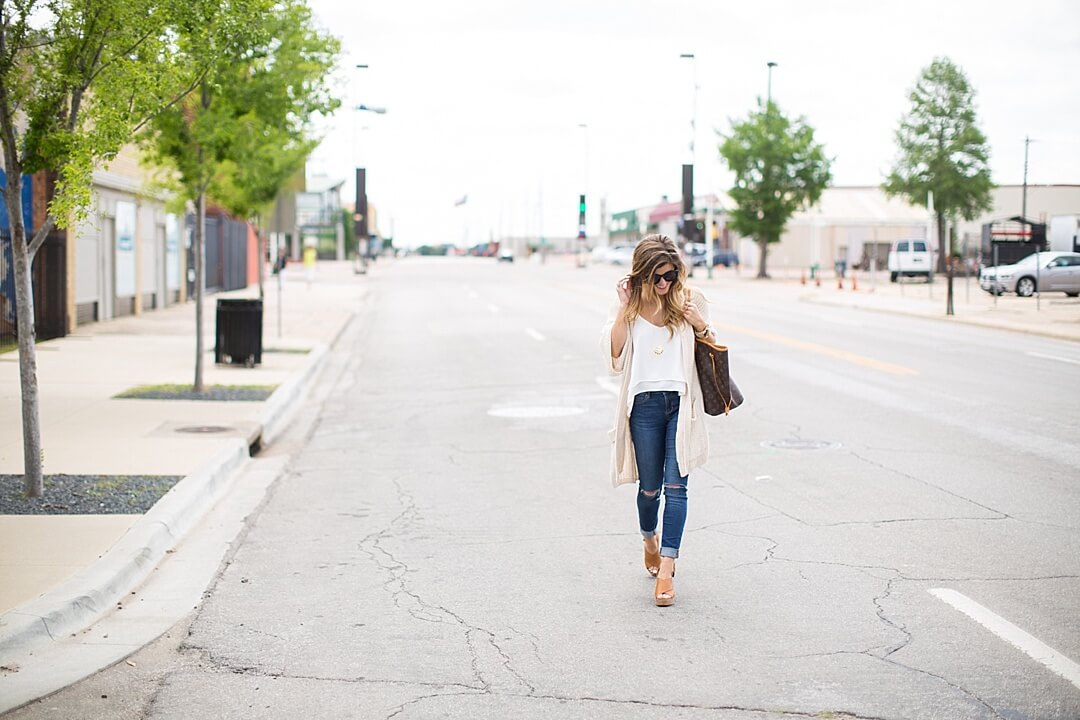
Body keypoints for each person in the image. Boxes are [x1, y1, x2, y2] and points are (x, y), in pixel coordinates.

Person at [601, 234, 713, 607]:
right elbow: (614, 356)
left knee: (677, 489)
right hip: (644, 406)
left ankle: (666, 570)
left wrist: (699, 324)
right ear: (642, 275)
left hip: (680, 403)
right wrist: (623, 307)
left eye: (670, 276)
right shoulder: (631, 307)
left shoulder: (689, 301)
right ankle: (649, 537)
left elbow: (712, 348)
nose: (664, 284)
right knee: (650, 490)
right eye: (657, 277)